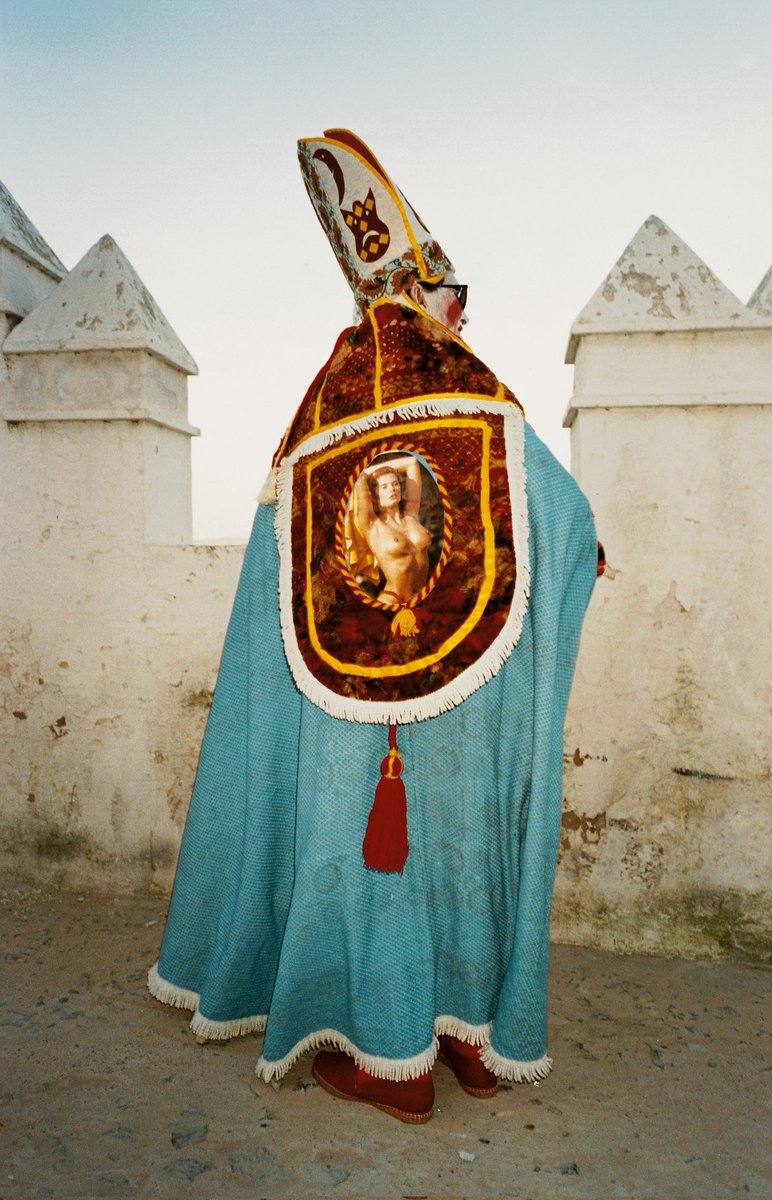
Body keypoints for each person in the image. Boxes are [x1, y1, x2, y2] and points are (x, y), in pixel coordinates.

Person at [149, 128, 598, 1124]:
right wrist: (579, 558)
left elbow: (273, 565)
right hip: (473, 689)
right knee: (467, 839)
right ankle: (462, 1040)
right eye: (455, 294)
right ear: (427, 295)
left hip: (345, 698)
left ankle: (392, 1055)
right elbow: (564, 520)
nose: (463, 311)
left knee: (369, 850)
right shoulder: (481, 405)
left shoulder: (324, 416)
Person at [354, 457, 431, 603]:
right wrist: (370, 473)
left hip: (423, 596)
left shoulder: (411, 513)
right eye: (384, 487)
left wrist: (378, 472)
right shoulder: (372, 524)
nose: (392, 489)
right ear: (374, 496)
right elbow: (359, 478)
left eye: (395, 484)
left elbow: (412, 462)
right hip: (394, 599)